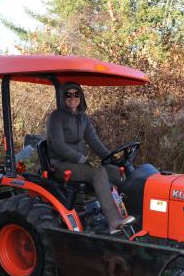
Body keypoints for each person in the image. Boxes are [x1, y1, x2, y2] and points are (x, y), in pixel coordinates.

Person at [46, 82, 134, 234]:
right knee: (98, 172)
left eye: (76, 94)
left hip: (79, 163)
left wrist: (111, 157)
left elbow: (94, 142)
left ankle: (133, 215)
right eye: (68, 94)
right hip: (62, 165)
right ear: (62, 97)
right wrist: (83, 159)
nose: (73, 97)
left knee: (118, 172)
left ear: (81, 96)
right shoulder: (56, 118)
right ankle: (114, 221)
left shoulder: (82, 118)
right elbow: (59, 145)